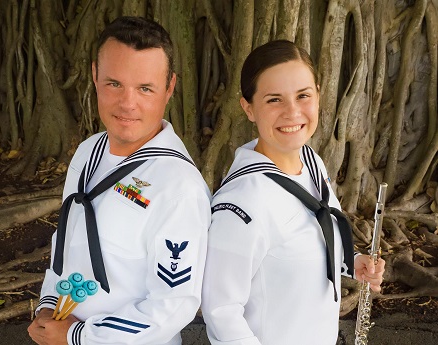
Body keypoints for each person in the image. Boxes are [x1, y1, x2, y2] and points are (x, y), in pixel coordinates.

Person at [28, 16, 211, 345]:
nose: (128, 103)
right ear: (95, 76)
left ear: (169, 87)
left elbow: (173, 306)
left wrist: (76, 335)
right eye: (114, 83)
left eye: (145, 88)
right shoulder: (87, 152)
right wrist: (47, 306)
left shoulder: (178, 187)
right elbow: (66, 243)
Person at [201, 40, 385, 345]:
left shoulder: (311, 162)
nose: (293, 111)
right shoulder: (242, 203)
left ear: (317, 96)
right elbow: (221, 312)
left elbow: (307, 241)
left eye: (303, 96)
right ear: (248, 107)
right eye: (274, 100)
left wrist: (352, 261)